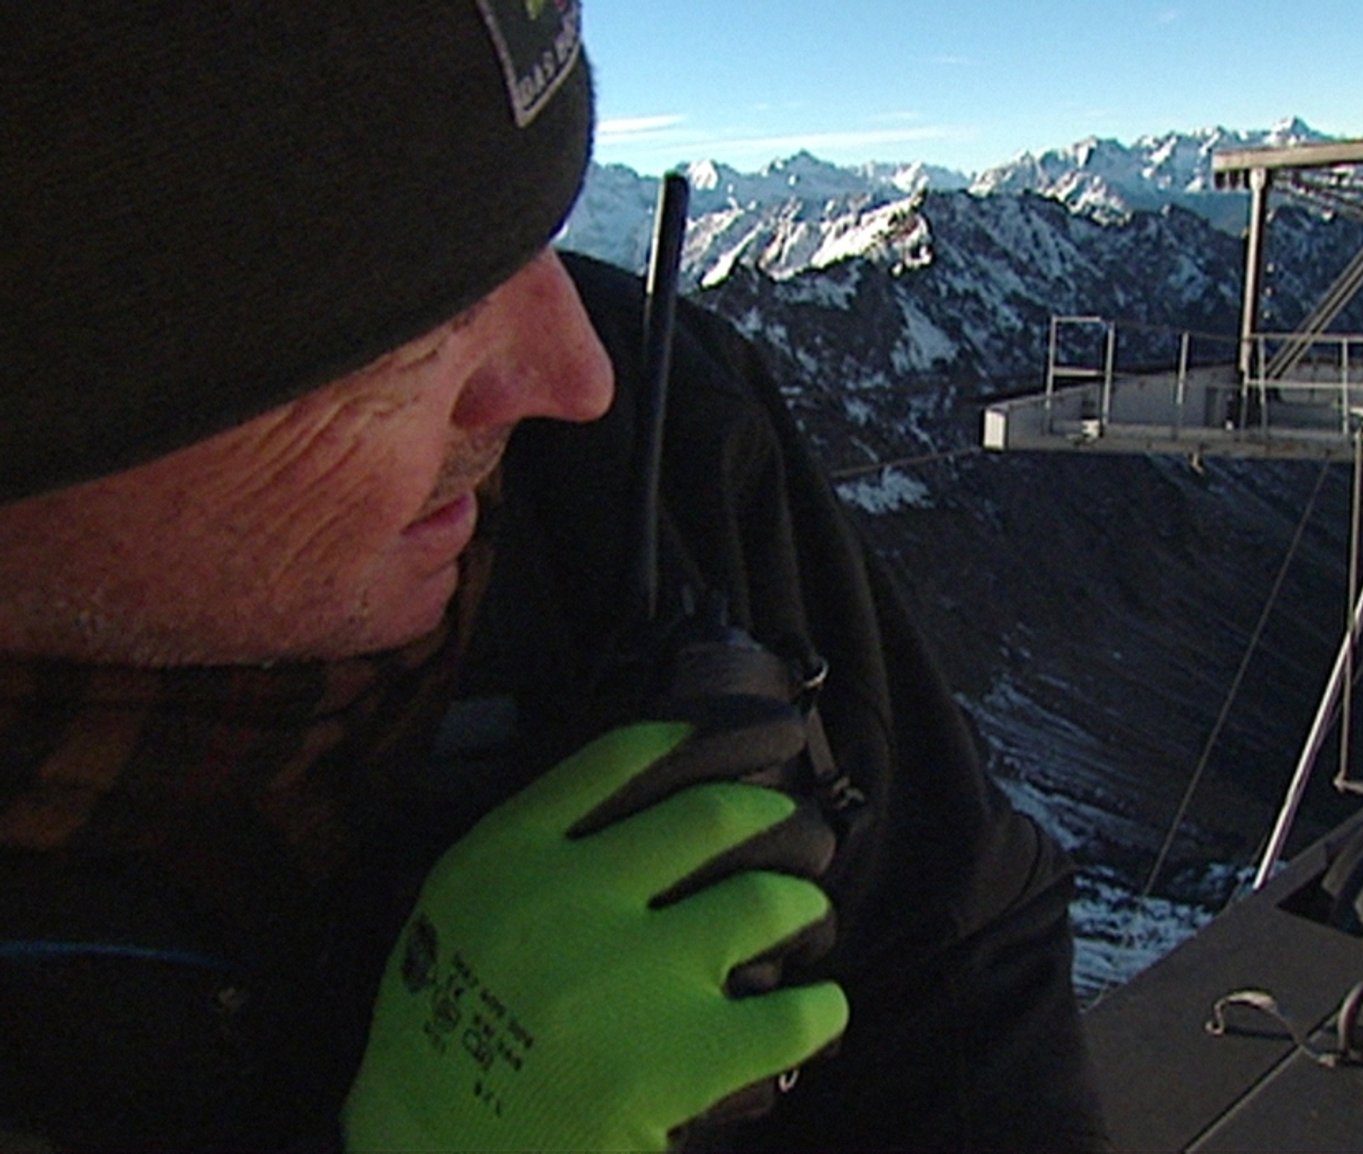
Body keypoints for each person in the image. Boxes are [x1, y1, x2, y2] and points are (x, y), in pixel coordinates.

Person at [0, 4, 1109, 1151]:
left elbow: (961, 957)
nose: (573, 374)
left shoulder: (655, 451)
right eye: (409, 328)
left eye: (536, 235)